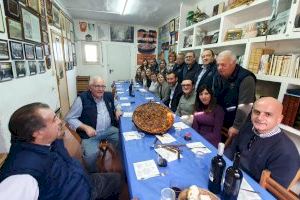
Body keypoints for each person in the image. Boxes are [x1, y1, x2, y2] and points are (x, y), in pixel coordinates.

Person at [0, 103, 120, 199]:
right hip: (80, 193)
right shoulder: (21, 177)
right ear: (37, 133)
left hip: (82, 182)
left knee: (117, 179)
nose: (60, 121)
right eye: (54, 120)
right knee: (118, 182)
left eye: (57, 116)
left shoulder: (49, 141)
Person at [225, 97, 300, 188]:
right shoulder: (247, 128)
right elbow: (231, 149)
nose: (260, 118)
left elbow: (271, 192)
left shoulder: (287, 153)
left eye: (268, 114)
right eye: (256, 112)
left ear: (279, 119)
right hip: (231, 175)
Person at [65, 76, 122, 173]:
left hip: (109, 130)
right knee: (91, 157)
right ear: (90, 87)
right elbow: (69, 118)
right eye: (97, 86)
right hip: (91, 135)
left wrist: (118, 109)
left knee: (124, 141)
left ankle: (124, 167)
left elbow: (117, 103)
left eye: (103, 86)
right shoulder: (82, 99)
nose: (101, 89)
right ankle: (94, 176)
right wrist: (85, 127)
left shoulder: (108, 95)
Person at [213, 50, 256, 138]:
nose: (219, 68)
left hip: (237, 122)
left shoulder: (246, 78)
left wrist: (236, 126)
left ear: (233, 63)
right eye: (218, 65)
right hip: (223, 118)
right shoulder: (218, 75)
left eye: (223, 65)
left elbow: (245, 105)